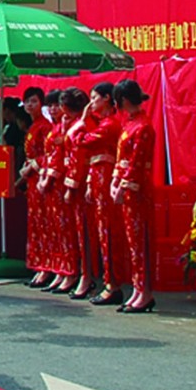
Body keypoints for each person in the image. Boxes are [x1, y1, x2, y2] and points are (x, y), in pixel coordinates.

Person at [111, 79, 157, 314]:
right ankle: (138, 290)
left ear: (124, 101)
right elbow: (123, 160)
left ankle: (145, 292)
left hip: (138, 191)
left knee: (140, 242)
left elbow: (137, 164)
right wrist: (115, 181)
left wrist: (122, 186)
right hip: (127, 189)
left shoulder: (143, 127)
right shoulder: (130, 124)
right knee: (132, 242)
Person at [81, 82, 124, 307]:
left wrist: (83, 120)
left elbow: (82, 141)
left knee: (108, 232)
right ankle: (109, 281)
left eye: (95, 98)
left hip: (107, 181)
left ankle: (112, 284)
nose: (92, 103)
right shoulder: (103, 124)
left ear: (107, 98)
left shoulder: (109, 125)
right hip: (98, 181)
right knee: (101, 232)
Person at [52, 88, 93, 297]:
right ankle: (77, 272)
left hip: (82, 183)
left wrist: (71, 186)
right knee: (75, 232)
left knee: (83, 232)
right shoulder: (73, 124)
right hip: (72, 179)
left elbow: (78, 156)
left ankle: (86, 275)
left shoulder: (81, 125)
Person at [19, 87, 57, 289]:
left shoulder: (45, 127)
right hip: (32, 181)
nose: (30, 105)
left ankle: (46, 267)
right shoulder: (33, 127)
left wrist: (33, 165)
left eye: (33, 101)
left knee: (43, 224)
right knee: (35, 223)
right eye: (27, 102)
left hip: (42, 180)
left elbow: (50, 155)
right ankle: (39, 265)